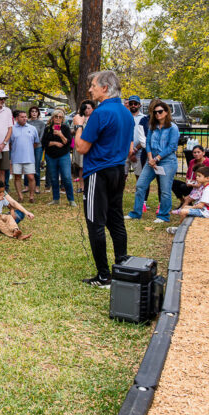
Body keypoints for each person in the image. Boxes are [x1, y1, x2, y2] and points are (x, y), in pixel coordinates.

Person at [74, 70, 132, 288]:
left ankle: (104, 276)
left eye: (93, 85)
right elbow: (129, 148)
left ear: (105, 88)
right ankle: (122, 267)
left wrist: (79, 125)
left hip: (98, 171)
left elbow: (81, 147)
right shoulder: (126, 113)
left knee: (95, 222)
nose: (90, 90)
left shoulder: (100, 113)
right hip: (118, 170)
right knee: (115, 219)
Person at [126, 99, 179, 223]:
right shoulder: (152, 126)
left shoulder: (173, 127)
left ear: (166, 112)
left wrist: (157, 158)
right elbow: (148, 142)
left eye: (160, 111)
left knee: (165, 190)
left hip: (167, 161)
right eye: (155, 112)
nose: (157, 114)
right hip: (151, 160)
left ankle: (163, 216)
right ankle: (136, 213)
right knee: (140, 185)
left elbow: (171, 147)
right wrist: (150, 158)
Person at [41, 109, 75, 206]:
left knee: (67, 177)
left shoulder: (65, 128)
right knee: (54, 178)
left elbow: (68, 142)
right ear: (52, 118)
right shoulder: (48, 128)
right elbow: (44, 142)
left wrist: (60, 134)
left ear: (63, 119)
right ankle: (56, 199)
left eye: (60, 117)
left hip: (63, 155)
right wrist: (54, 143)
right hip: (51, 156)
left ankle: (71, 200)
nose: (58, 119)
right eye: (56, 116)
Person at [169, 167, 209, 233]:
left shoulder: (208, 189)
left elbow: (200, 206)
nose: (196, 177)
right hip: (205, 209)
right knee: (185, 207)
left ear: (207, 178)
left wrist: (191, 207)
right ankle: (182, 227)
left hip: (207, 212)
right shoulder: (207, 187)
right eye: (197, 175)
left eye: (199, 176)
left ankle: (180, 230)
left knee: (183, 211)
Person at [10, 109, 41, 202]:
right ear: (17, 118)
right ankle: (20, 196)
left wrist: (28, 149)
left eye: (25, 117)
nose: (24, 118)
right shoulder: (12, 129)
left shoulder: (32, 128)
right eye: (22, 117)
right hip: (16, 158)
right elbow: (10, 144)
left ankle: (31, 197)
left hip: (29, 157)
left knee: (31, 177)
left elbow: (35, 142)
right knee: (17, 177)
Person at [72, 100, 95, 183]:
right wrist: (78, 127)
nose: (87, 110)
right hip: (81, 144)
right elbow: (72, 130)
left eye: (89, 108)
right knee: (81, 166)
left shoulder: (95, 118)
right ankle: (82, 186)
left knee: (92, 166)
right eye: (85, 108)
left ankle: (90, 184)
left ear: (93, 109)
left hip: (92, 146)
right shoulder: (79, 118)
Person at [125, 95, 147, 178]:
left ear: (139, 105)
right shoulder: (124, 117)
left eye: (135, 103)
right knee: (121, 178)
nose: (133, 105)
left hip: (139, 153)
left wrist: (134, 150)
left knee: (140, 178)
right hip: (124, 153)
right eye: (131, 103)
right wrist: (129, 152)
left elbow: (145, 137)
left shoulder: (144, 118)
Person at [27, 106, 46, 192]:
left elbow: (41, 135)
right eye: (32, 111)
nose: (34, 113)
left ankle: (37, 186)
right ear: (30, 113)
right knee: (27, 165)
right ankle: (27, 185)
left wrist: (36, 143)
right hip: (27, 147)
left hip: (38, 147)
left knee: (36, 166)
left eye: (35, 111)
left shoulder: (41, 123)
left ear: (38, 113)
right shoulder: (27, 122)